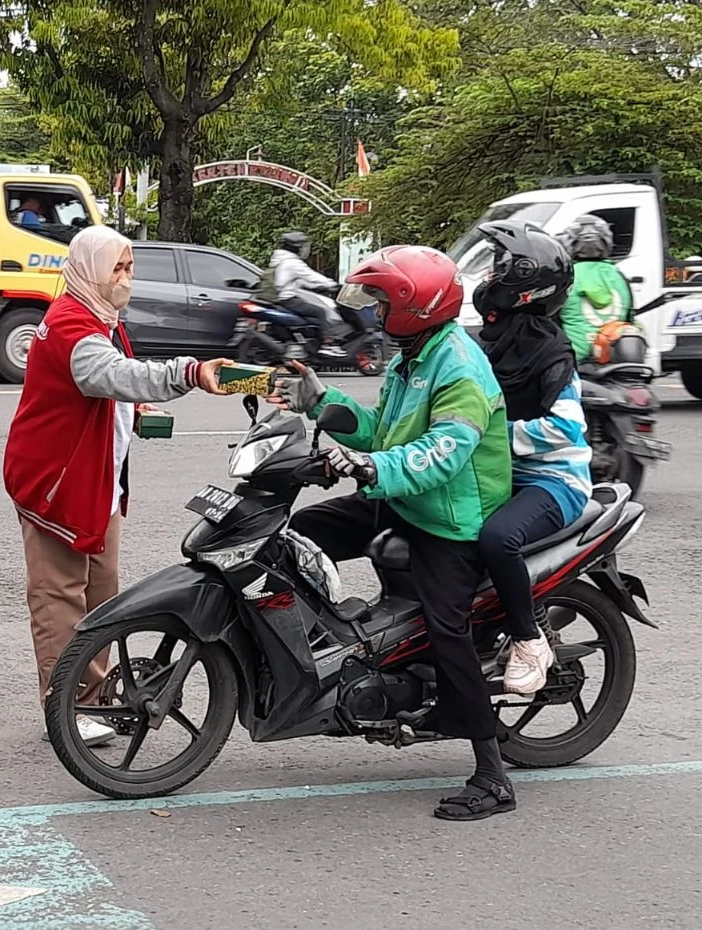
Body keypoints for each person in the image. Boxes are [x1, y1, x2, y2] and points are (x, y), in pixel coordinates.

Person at [272, 245, 516, 821]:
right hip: (405, 497)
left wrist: (371, 469)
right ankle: (339, 654)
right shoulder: (413, 355)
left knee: (446, 627)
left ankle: (492, 773)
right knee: (300, 533)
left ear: (415, 305)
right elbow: (384, 430)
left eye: (383, 302)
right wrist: (321, 401)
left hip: (451, 517)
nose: (376, 313)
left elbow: (444, 454)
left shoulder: (458, 366)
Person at [3, 224, 231, 746]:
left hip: (95, 480)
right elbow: (111, 375)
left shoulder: (99, 317)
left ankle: (93, 695)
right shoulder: (71, 325)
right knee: (60, 594)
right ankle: (65, 707)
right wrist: (190, 373)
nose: (127, 279)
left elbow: (112, 384)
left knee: (101, 592)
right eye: (118, 269)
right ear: (89, 270)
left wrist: (130, 404)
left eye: (130, 268)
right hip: (58, 483)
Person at [473, 221, 592, 695]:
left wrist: (489, 438)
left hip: (554, 482)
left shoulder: (550, 350)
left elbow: (564, 427)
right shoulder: (489, 342)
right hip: (498, 474)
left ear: (525, 286)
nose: (489, 279)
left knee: (497, 539)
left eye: (499, 269)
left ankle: (528, 637)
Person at [555, 214, 635, 361]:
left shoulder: (565, 278)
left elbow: (552, 320)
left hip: (574, 360)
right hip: (615, 356)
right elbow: (630, 316)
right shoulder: (619, 276)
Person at [269, 231, 344, 358]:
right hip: (288, 299)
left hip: (280, 298)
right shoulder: (292, 262)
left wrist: (318, 286)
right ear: (295, 246)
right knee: (320, 312)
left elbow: (301, 280)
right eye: (302, 246)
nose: (304, 249)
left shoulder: (280, 260)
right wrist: (331, 284)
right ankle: (328, 345)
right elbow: (310, 276)